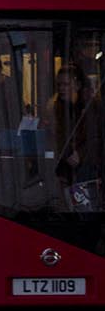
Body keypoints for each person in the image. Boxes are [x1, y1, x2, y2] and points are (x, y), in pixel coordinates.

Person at [44, 63, 102, 209]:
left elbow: (97, 137)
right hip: (65, 168)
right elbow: (54, 137)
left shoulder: (92, 105)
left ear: (77, 85)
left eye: (65, 84)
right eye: (59, 85)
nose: (61, 89)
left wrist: (81, 155)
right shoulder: (55, 108)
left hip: (90, 167)